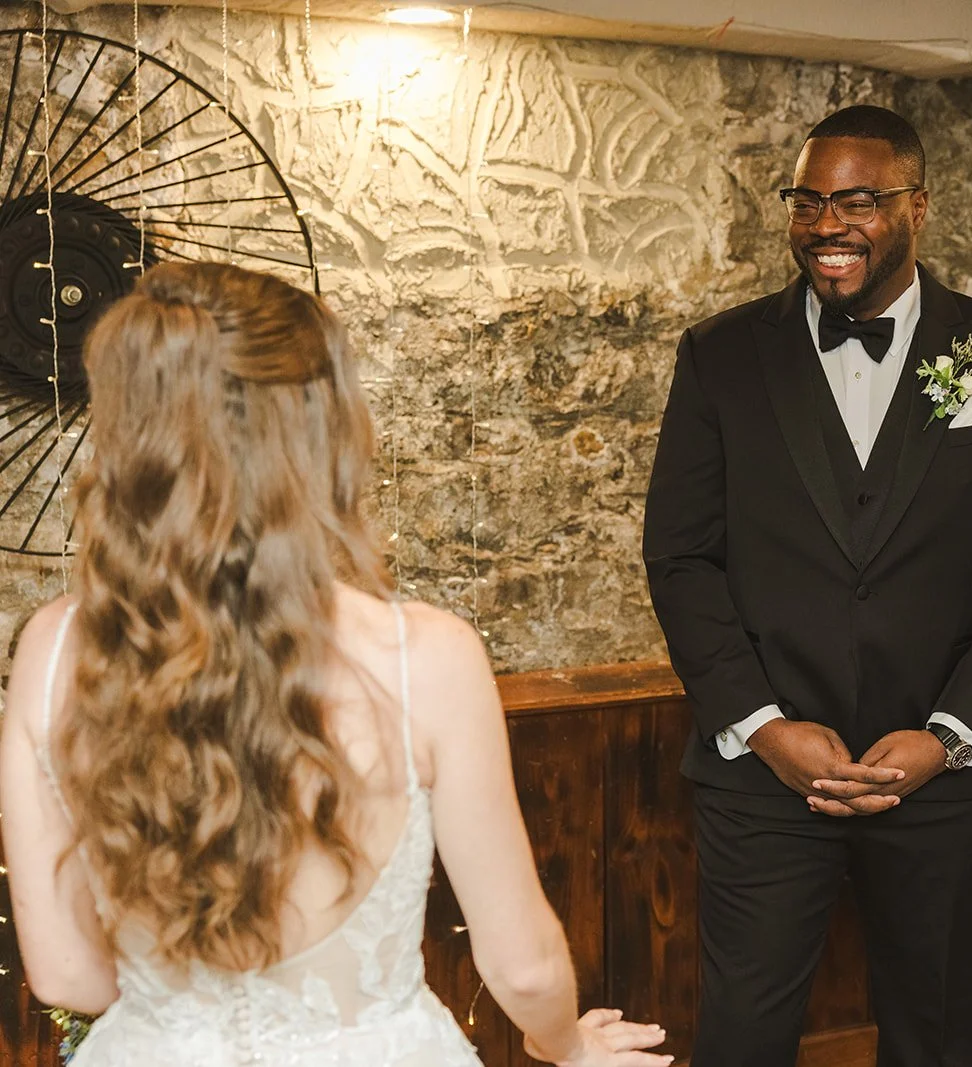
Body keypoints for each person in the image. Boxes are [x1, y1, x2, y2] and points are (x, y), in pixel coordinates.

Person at [0, 263, 670, 1067]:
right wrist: (567, 1046)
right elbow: (523, 967)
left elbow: (70, 975)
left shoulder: (48, 652)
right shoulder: (427, 659)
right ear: (321, 428)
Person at [642, 105, 972, 1067]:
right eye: (807, 200)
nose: (826, 224)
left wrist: (948, 736)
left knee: (937, 1034)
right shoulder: (721, 356)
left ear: (918, 206)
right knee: (744, 1032)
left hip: (939, 775)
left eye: (857, 200)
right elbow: (681, 558)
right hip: (762, 772)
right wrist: (762, 725)